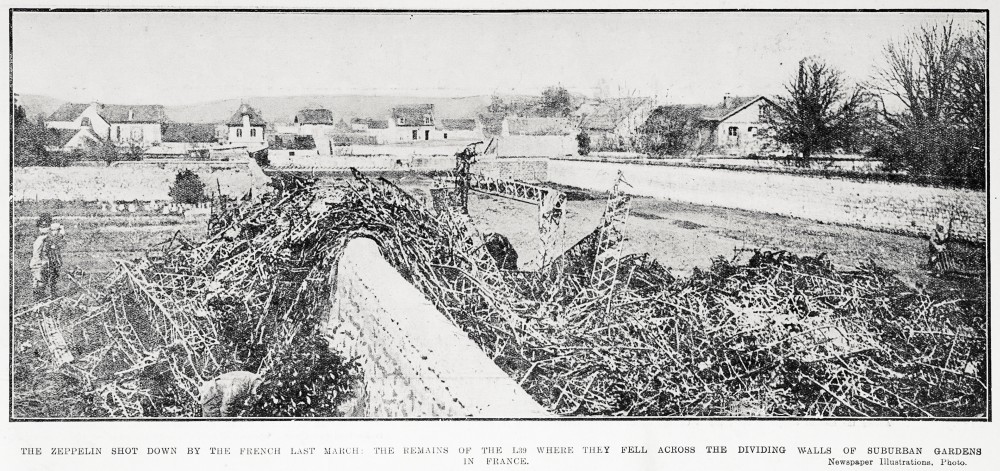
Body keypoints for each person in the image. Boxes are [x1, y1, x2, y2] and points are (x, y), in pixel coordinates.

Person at [198, 371, 263, 417]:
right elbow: (227, 405)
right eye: (257, 393)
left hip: (217, 393)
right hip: (211, 396)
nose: (256, 396)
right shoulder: (240, 386)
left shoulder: (252, 379)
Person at [28, 214, 54, 301]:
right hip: (38, 266)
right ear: (39, 228)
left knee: (44, 283)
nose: (45, 229)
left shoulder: (48, 239)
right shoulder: (40, 240)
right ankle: (37, 302)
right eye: (42, 226)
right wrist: (38, 268)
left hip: (45, 265)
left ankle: (42, 301)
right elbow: (36, 255)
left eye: (47, 226)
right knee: (39, 284)